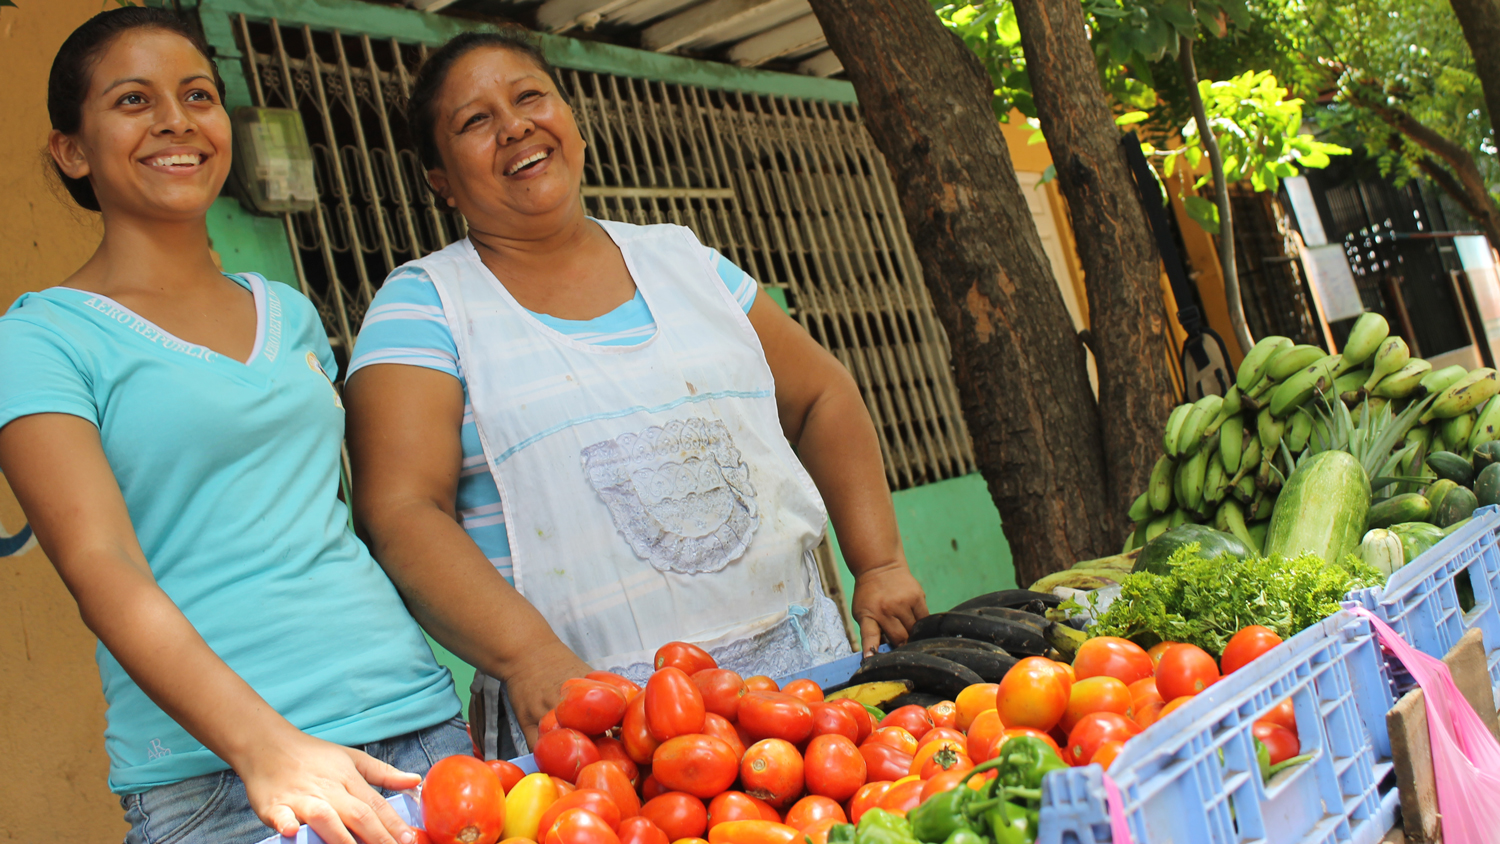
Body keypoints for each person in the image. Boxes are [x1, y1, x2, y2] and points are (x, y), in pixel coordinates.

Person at [344, 30, 930, 760]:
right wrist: (529, 656)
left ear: (572, 119)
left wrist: (879, 563)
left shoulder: (686, 262)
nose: (515, 126)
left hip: (803, 681)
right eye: (475, 121)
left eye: (530, 97)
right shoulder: (426, 306)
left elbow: (822, 398)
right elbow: (401, 510)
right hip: (590, 719)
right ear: (441, 180)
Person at [0, 9, 467, 843]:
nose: (175, 120)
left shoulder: (286, 310)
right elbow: (100, 565)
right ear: (71, 150)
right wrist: (266, 747)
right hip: (218, 776)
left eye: (197, 95)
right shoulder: (41, 338)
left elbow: (333, 515)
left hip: (415, 725)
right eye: (134, 100)